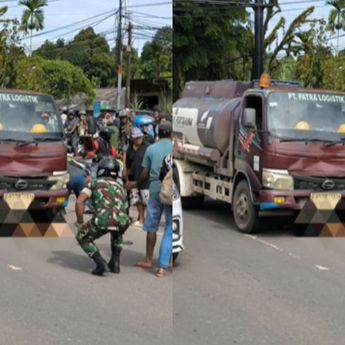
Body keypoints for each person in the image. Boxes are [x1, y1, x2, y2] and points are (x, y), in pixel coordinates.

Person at [75, 157, 130, 276]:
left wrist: (80, 222)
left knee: (82, 237)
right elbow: (125, 209)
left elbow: (79, 202)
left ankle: (100, 263)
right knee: (117, 228)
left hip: (102, 219)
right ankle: (115, 263)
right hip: (123, 221)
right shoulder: (122, 188)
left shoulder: (93, 183)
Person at [134, 121, 173, 269]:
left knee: (152, 226)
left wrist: (136, 184)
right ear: (170, 134)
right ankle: (167, 262)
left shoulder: (150, 149)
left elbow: (145, 173)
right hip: (171, 190)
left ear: (158, 133)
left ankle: (149, 260)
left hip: (156, 189)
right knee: (170, 227)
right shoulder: (175, 148)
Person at [123, 128, 150, 227]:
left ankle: (143, 217)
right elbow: (128, 165)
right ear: (132, 139)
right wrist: (126, 175)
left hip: (145, 178)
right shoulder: (129, 150)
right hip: (133, 177)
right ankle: (141, 217)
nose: (139, 139)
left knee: (146, 200)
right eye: (136, 138)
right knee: (137, 199)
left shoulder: (147, 148)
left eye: (140, 137)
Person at [156, 153, 173, 278]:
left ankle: (162, 266)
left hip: (168, 196)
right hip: (177, 197)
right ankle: (165, 263)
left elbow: (160, 175)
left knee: (169, 228)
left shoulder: (168, 157)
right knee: (173, 229)